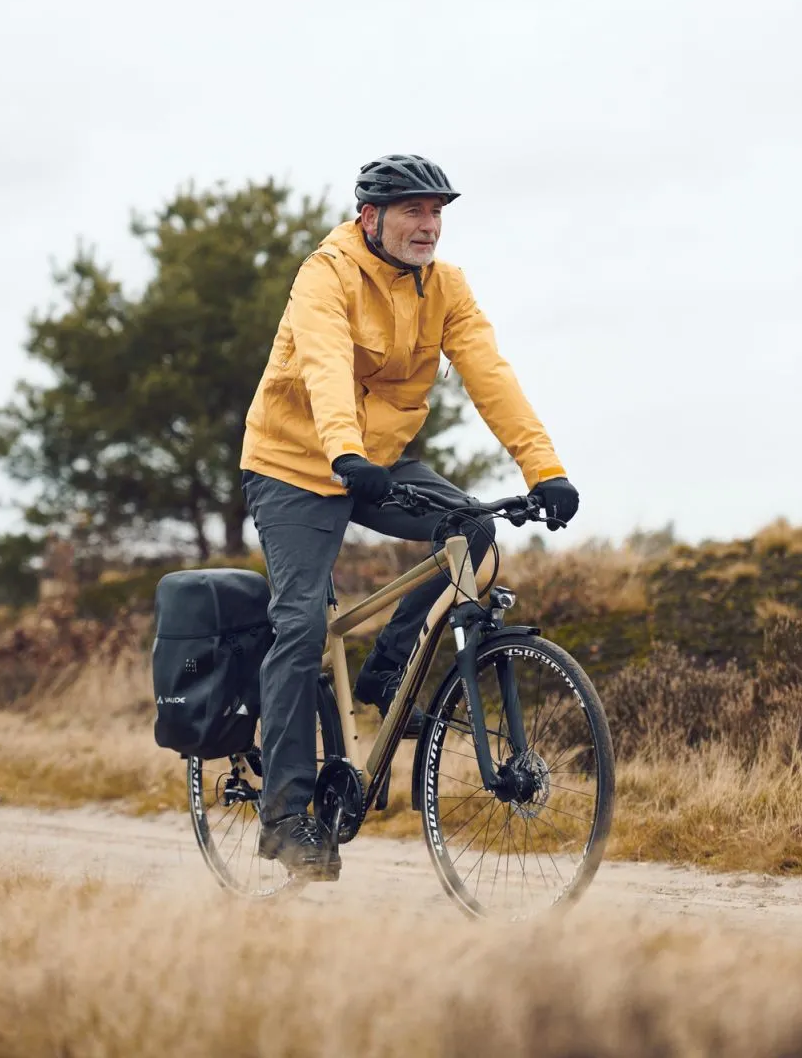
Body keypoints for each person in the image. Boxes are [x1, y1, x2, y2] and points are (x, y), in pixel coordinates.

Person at [240, 153, 579, 875]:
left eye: (437, 213)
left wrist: (543, 468)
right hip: (296, 467)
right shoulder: (324, 275)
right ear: (371, 218)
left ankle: (386, 675)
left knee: (474, 533)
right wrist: (342, 453)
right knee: (299, 622)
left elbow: (492, 376)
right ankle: (283, 817)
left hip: (377, 462)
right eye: (413, 212)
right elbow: (326, 366)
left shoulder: (446, 288)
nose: (429, 226)